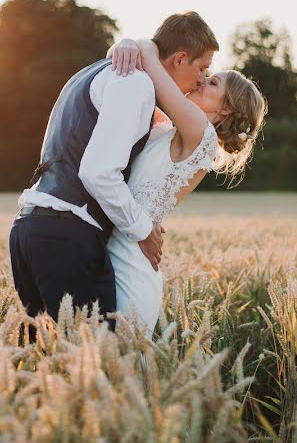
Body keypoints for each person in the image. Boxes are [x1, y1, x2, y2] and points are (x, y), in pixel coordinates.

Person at [8, 11, 219, 339]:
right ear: (180, 58)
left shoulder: (96, 70)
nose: (202, 79)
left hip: (29, 228)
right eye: (202, 69)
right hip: (66, 237)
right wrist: (144, 229)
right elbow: (97, 173)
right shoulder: (135, 85)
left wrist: (137, 44)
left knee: (48, 369)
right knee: (93, 368)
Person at [106, 37, 267, 337]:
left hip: (131, 262)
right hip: (120, 248)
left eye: (213, 83)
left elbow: (153, 65)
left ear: (227, 110)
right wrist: (125, 47)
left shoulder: (200, 132)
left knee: (124, 364)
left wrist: (136, 44)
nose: (202, 81)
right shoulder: (173, 128)